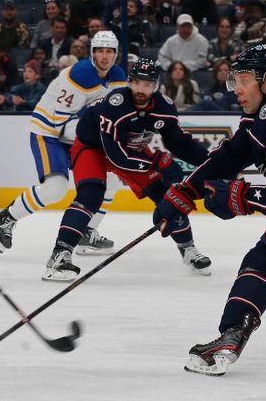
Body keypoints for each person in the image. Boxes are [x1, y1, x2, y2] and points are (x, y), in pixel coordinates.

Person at [152, 44, 266, 377]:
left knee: (265, 260)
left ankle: (230, 339)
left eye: (244, 79)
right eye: (235, 79)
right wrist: (186, 191)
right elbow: (230, 155)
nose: (237, 89)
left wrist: (242, 196)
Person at [45, 58, 210, 281]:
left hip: (131, 150)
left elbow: (178, 142)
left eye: (148, 84)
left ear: (156, 86)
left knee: (167, 196)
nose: (142, 89)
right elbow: (117, 156)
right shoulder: (116, 104)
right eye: (137, 83)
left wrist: (212, 162)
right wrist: (157, 164)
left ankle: (188, 249)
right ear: (129, 82)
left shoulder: (164, 107)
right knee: (90, 195)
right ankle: (60, 256)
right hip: (92, 147)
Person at [0, 31, 127, 263]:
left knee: (110, 183)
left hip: (78, 133)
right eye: (100, 51)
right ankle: (5, 219)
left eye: (109, 51)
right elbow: (60, 123)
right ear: (92, 53)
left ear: (116, 54)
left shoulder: (118, 76)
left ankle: (85, 232)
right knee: (57, 187)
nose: (105, 56)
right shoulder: (80, 75)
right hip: (49, 132)